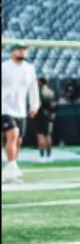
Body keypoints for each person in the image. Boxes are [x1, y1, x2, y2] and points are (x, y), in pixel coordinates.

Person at [2, 43, 40, 183]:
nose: (22, 52)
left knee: (18, 141)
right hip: (5, 107)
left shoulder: (29, 69)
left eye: (24, 50)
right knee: (13, 134)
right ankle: (12, 166)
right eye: (19, 50)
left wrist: (34, 105)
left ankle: (10, 168)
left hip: (21, 109)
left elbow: (33, 88)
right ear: (13, 52)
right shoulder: (4, 67)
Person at [35, 77, 57, 162]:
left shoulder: (39, 92)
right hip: (50, 116)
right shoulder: (51, 92)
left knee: (40, 136)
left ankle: (42, 156)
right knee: (48, 135)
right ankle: (49, 155)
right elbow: (54, 105)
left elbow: (38, 104)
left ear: (40, 82)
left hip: (40, 115)